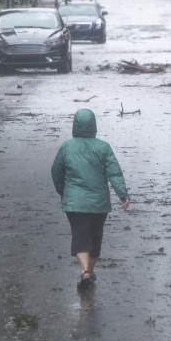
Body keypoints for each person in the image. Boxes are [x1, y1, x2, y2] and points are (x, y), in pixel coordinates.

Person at [51, 109, 130, 289]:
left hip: (74, 203)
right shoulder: (103, 147)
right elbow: (114, 172)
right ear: (94, 125)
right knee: (95, 236)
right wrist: (123, 195)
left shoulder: (66, 147)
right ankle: (90, 271)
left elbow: (56, 172)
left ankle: (85, 272)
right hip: (98, 204)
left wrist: (63, 192)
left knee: (80, 236)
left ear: (75, 125)